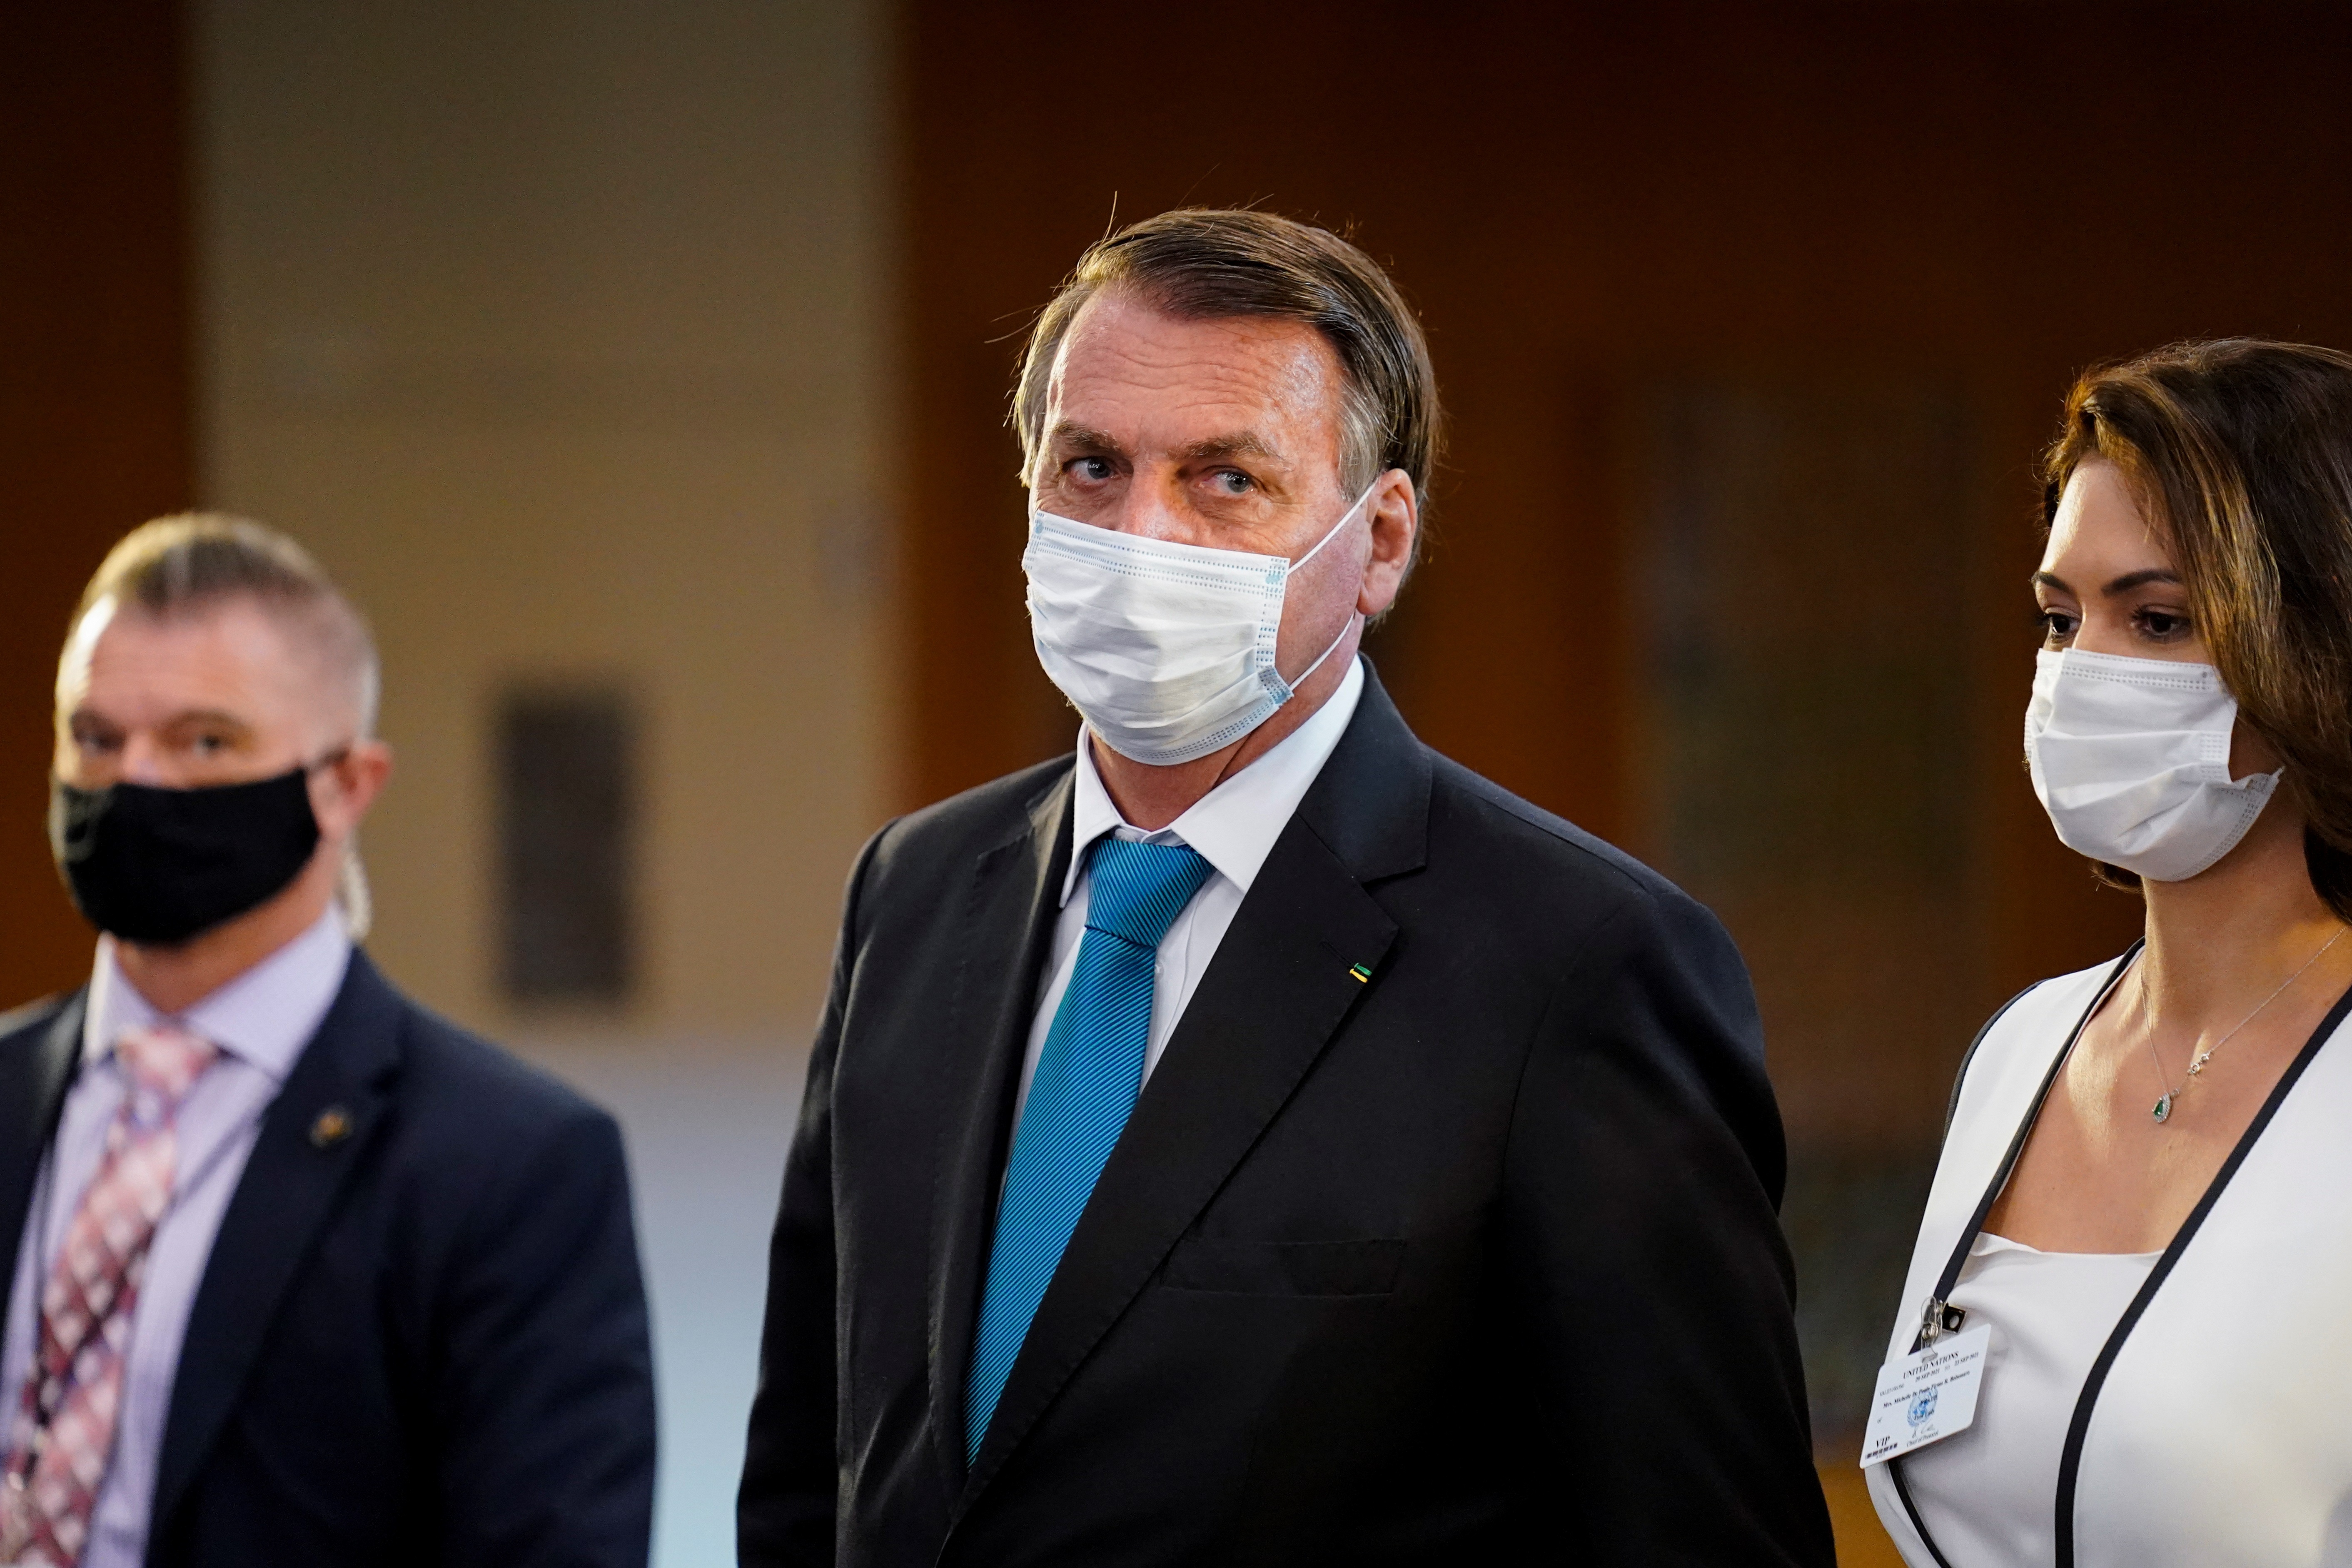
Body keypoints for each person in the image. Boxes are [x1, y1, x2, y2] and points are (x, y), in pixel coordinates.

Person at [738, 208, 1833, 1565]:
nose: (1140, 533)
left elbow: (1698, 1532)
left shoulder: (1576, 964)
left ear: (1376, 543)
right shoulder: (911, 894)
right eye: (1088, 466)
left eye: (1224, 479)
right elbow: (810, 1461)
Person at [0, 516, 656, 1567]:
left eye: (204, 741)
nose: (138, 782)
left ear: (347, 784)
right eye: (95, 737)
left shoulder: (509, 1167)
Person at [1869, 339, 2352, 1566]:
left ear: (2317, 649)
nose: (2085, 676)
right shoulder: (2024, 1049)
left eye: (2159, 619)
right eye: (2058, 616)